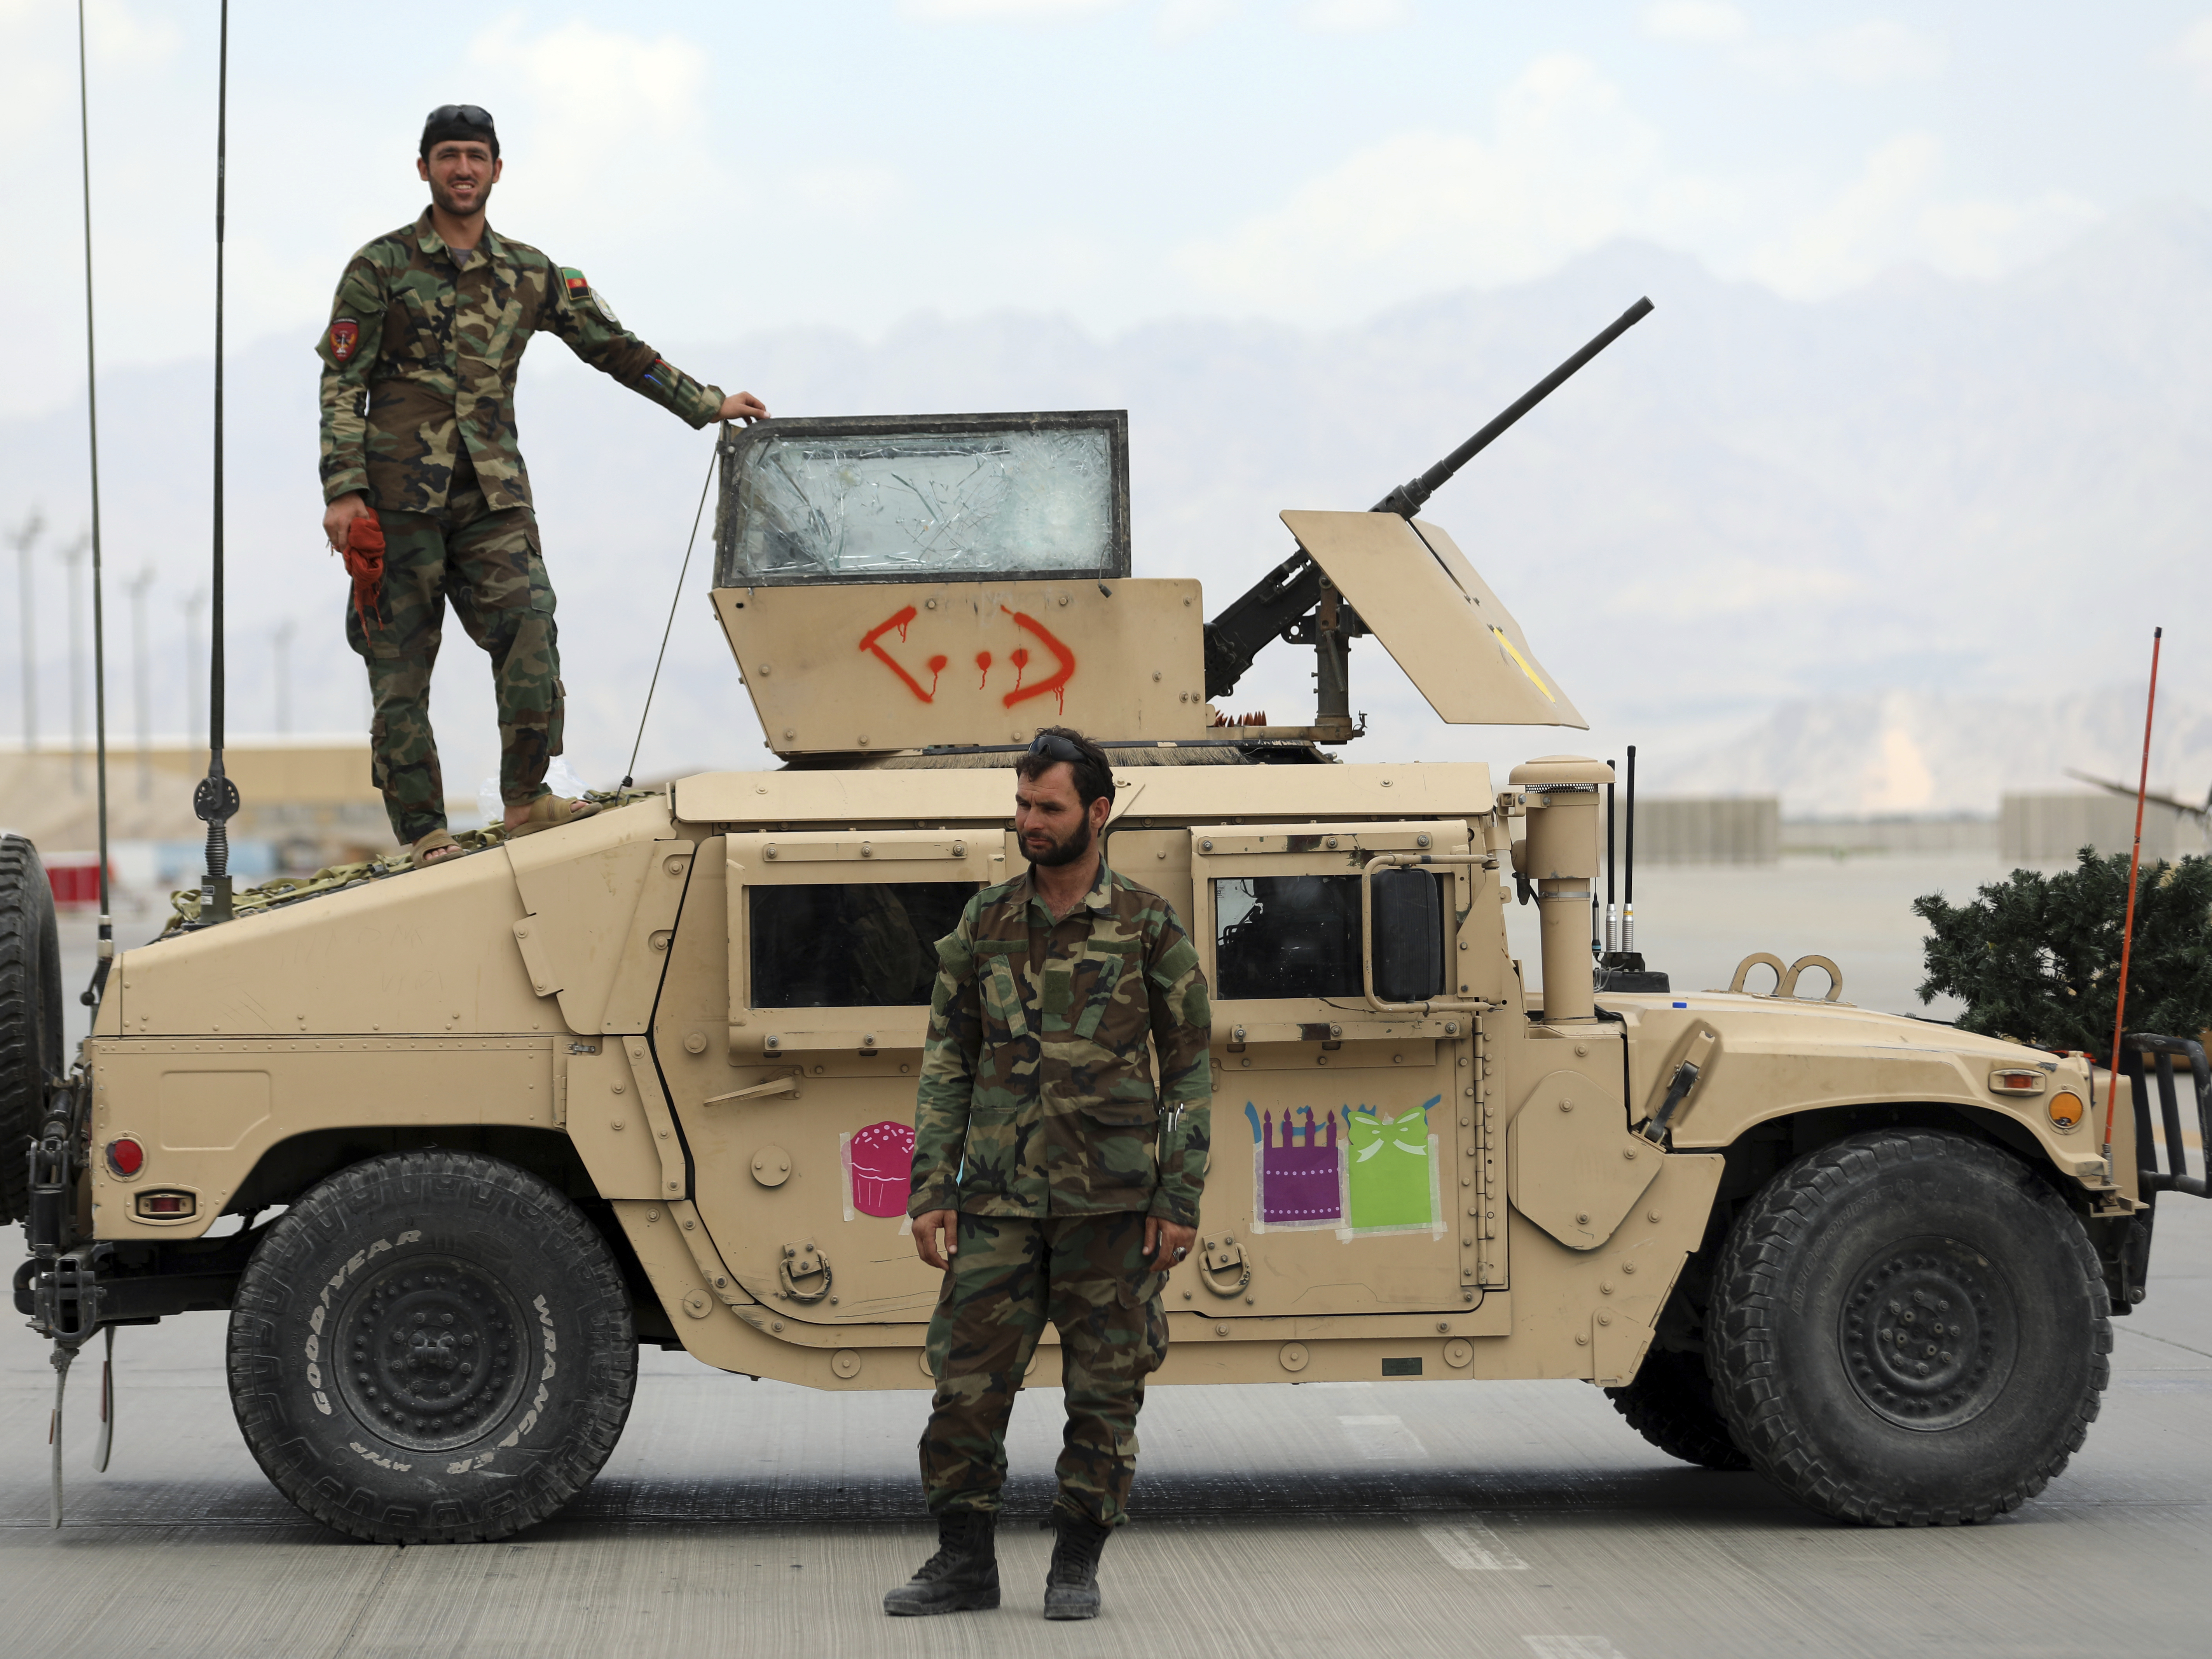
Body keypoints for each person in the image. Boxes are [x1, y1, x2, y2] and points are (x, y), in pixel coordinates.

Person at [315, 104, 769, 864]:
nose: (463, 168)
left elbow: (613, 347)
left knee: (531, 629)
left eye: (476, 156)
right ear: (422, 168)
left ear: (497, 169)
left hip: (492, 501)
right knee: (399, 676)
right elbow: (340, 384)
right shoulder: (379, 268)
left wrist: (703, 402)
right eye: (448, 155)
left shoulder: (530, 273)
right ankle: (425, 831)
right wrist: (345, 491)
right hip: (397, 508)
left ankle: (527, 799)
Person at [886, 728, 1213, 1622]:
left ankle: (1075, 1563)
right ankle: (962, 1564)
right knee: (963, 1389)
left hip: (1111, 1210)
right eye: (1022, 805)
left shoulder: (1147, 925)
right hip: (994, 1202)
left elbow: (1187, 1071)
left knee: (1104, 1395)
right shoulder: (984, 924)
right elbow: (945, 1062)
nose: (1029, 821)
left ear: (1096, 813)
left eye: (1048, 807)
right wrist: (930, 1187)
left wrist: (1177, 1193)